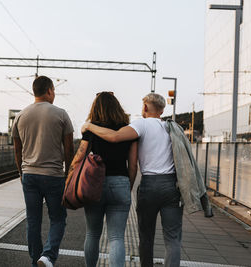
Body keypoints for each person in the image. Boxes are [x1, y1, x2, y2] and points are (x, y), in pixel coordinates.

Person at [82, 93, 182, 267]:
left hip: (143, 186)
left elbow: (111, 139)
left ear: (144, 107)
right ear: (162, 109)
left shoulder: (139, 125)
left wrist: (89, 125)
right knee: (170, 238)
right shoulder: (172, 127)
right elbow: (132, 164)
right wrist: (126, 186)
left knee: (142, 236)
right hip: (170, 186)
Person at [68, 92, 138, 267]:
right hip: (121, 182)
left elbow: (79, 158)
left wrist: (68, 180)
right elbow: (133, 165)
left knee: (92, 234)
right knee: (116, 237)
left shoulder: (91, 130)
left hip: (94, 185)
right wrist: (127, 185)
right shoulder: (128, 131)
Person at [12, 76, 74, 267]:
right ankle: (47, 256)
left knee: (33, 221)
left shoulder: (20, 115)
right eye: (53, 90)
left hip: (29, 175)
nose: (54, 94)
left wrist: (21, 173)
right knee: (58, 218)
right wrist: (68, 174)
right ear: (49, 90)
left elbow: (17, 150)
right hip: (53, 175)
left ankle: (35, 261)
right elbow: (69, 149)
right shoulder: (61, 114)